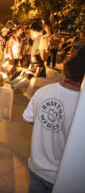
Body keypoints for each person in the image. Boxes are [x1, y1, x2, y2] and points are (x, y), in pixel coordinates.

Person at [23, 45, 85, 193]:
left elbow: (28, 118)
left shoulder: (43, 92)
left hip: (37, 167)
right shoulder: (80, 105)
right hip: (64, 175)